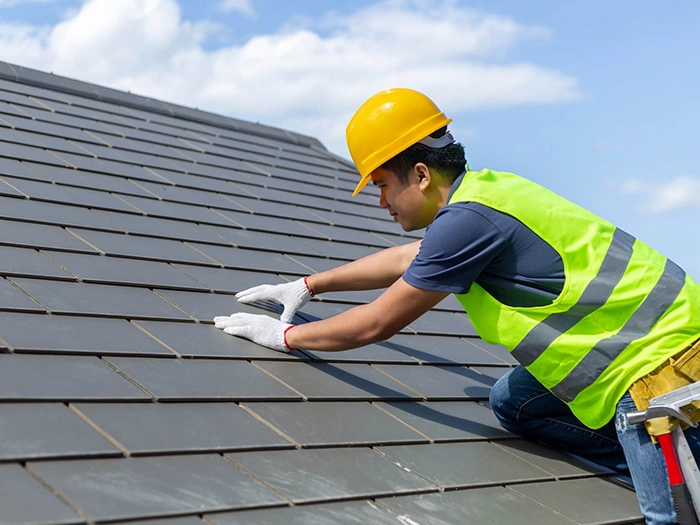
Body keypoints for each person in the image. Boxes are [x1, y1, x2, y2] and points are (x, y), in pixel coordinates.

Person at [214, 88, 700, 525]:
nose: (381, 201)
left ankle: (683, 477)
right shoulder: (487, 193)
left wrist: (284, 337)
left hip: (659, 375)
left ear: (420, 174)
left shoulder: (467, 221)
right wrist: (308, 285)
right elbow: (412, 257)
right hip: (649, 350)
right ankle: (662, 465)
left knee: (671, 518)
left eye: (383, 184)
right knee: (515, 402)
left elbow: (377, 323)